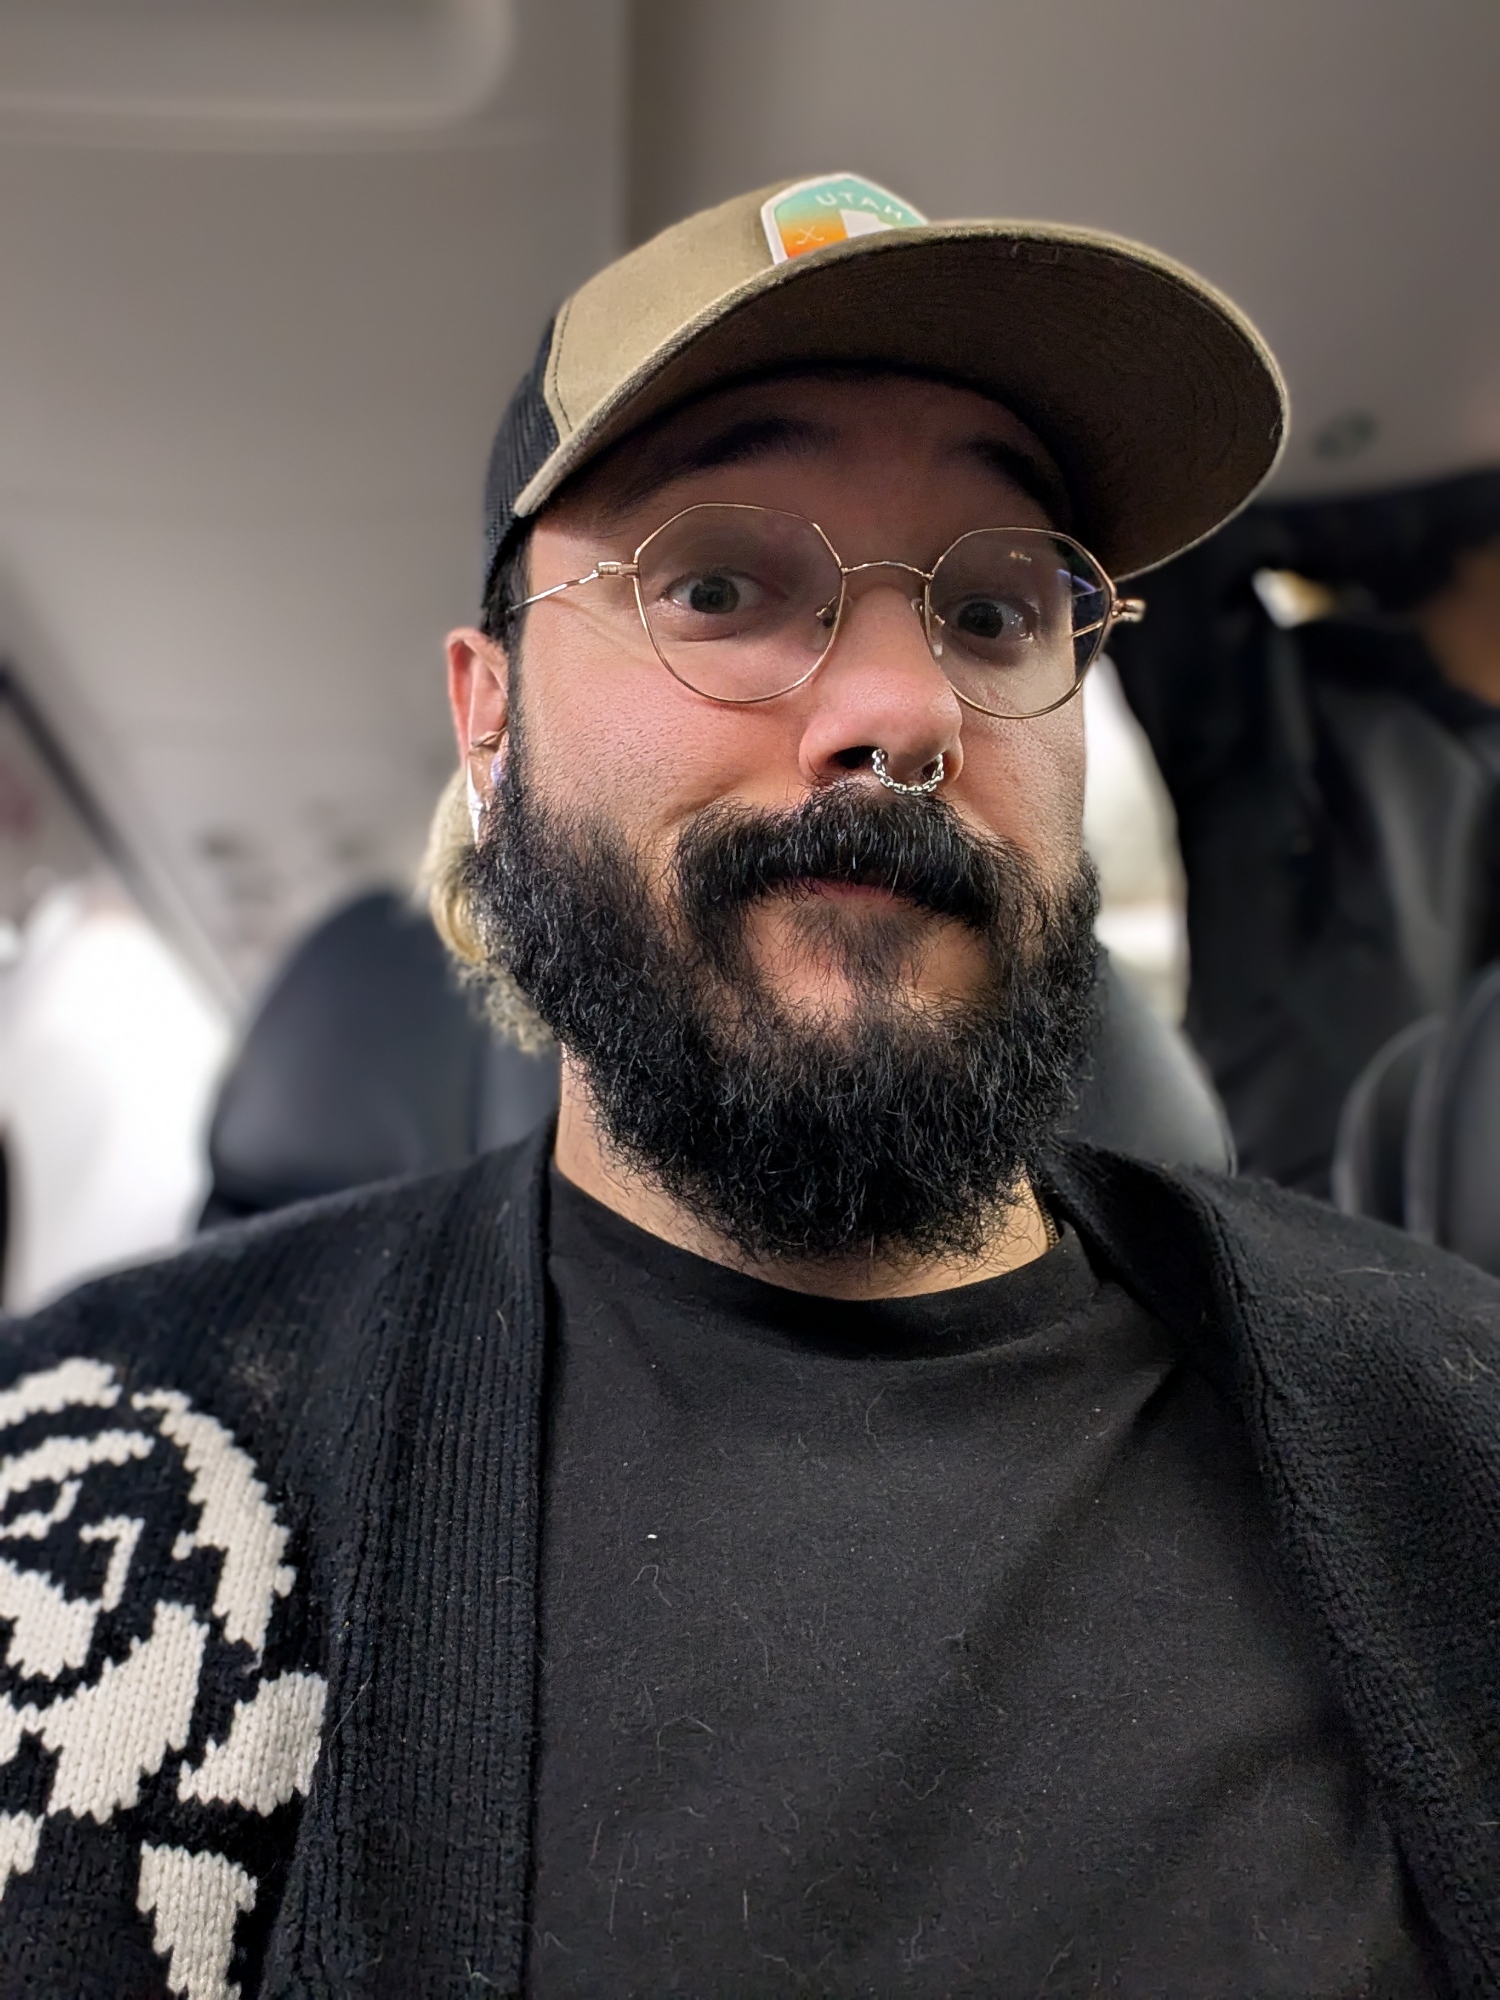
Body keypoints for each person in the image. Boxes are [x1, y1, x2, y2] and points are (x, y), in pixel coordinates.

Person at [0, 174, 1495, 2000]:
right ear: (488, 721)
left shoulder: (1450, 1423)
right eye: (720, 585)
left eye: (999, 610)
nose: (906, 710)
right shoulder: (107, 1476)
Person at [1109, 471, 1500, 1195]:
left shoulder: (1482, 756)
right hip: (1272, 1185)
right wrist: (1367, 522)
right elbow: (1176, 558)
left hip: (1445, 1199)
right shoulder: (1283, 711)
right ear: (1471, 552)